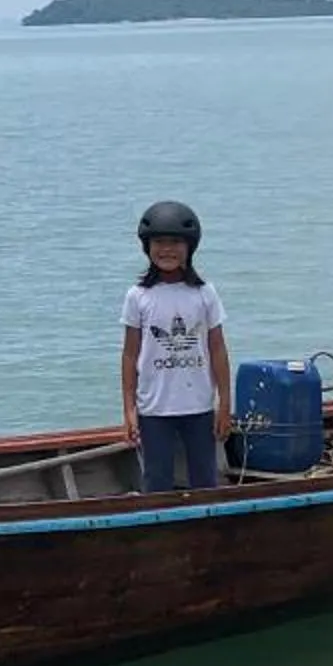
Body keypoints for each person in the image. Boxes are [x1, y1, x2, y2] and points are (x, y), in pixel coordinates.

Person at [119, 200, 232, 493]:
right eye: (159, 242)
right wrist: (129, 409)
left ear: (189, 247)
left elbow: (218, 350)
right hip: (154, 408)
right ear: (147, 246)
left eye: (175, 242)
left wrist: (225, 404)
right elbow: (130, 354)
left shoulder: (205, 293)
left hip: (199, 406)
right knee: (156, 482)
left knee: (205, 481)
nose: (166, 250)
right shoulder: (138, 296)